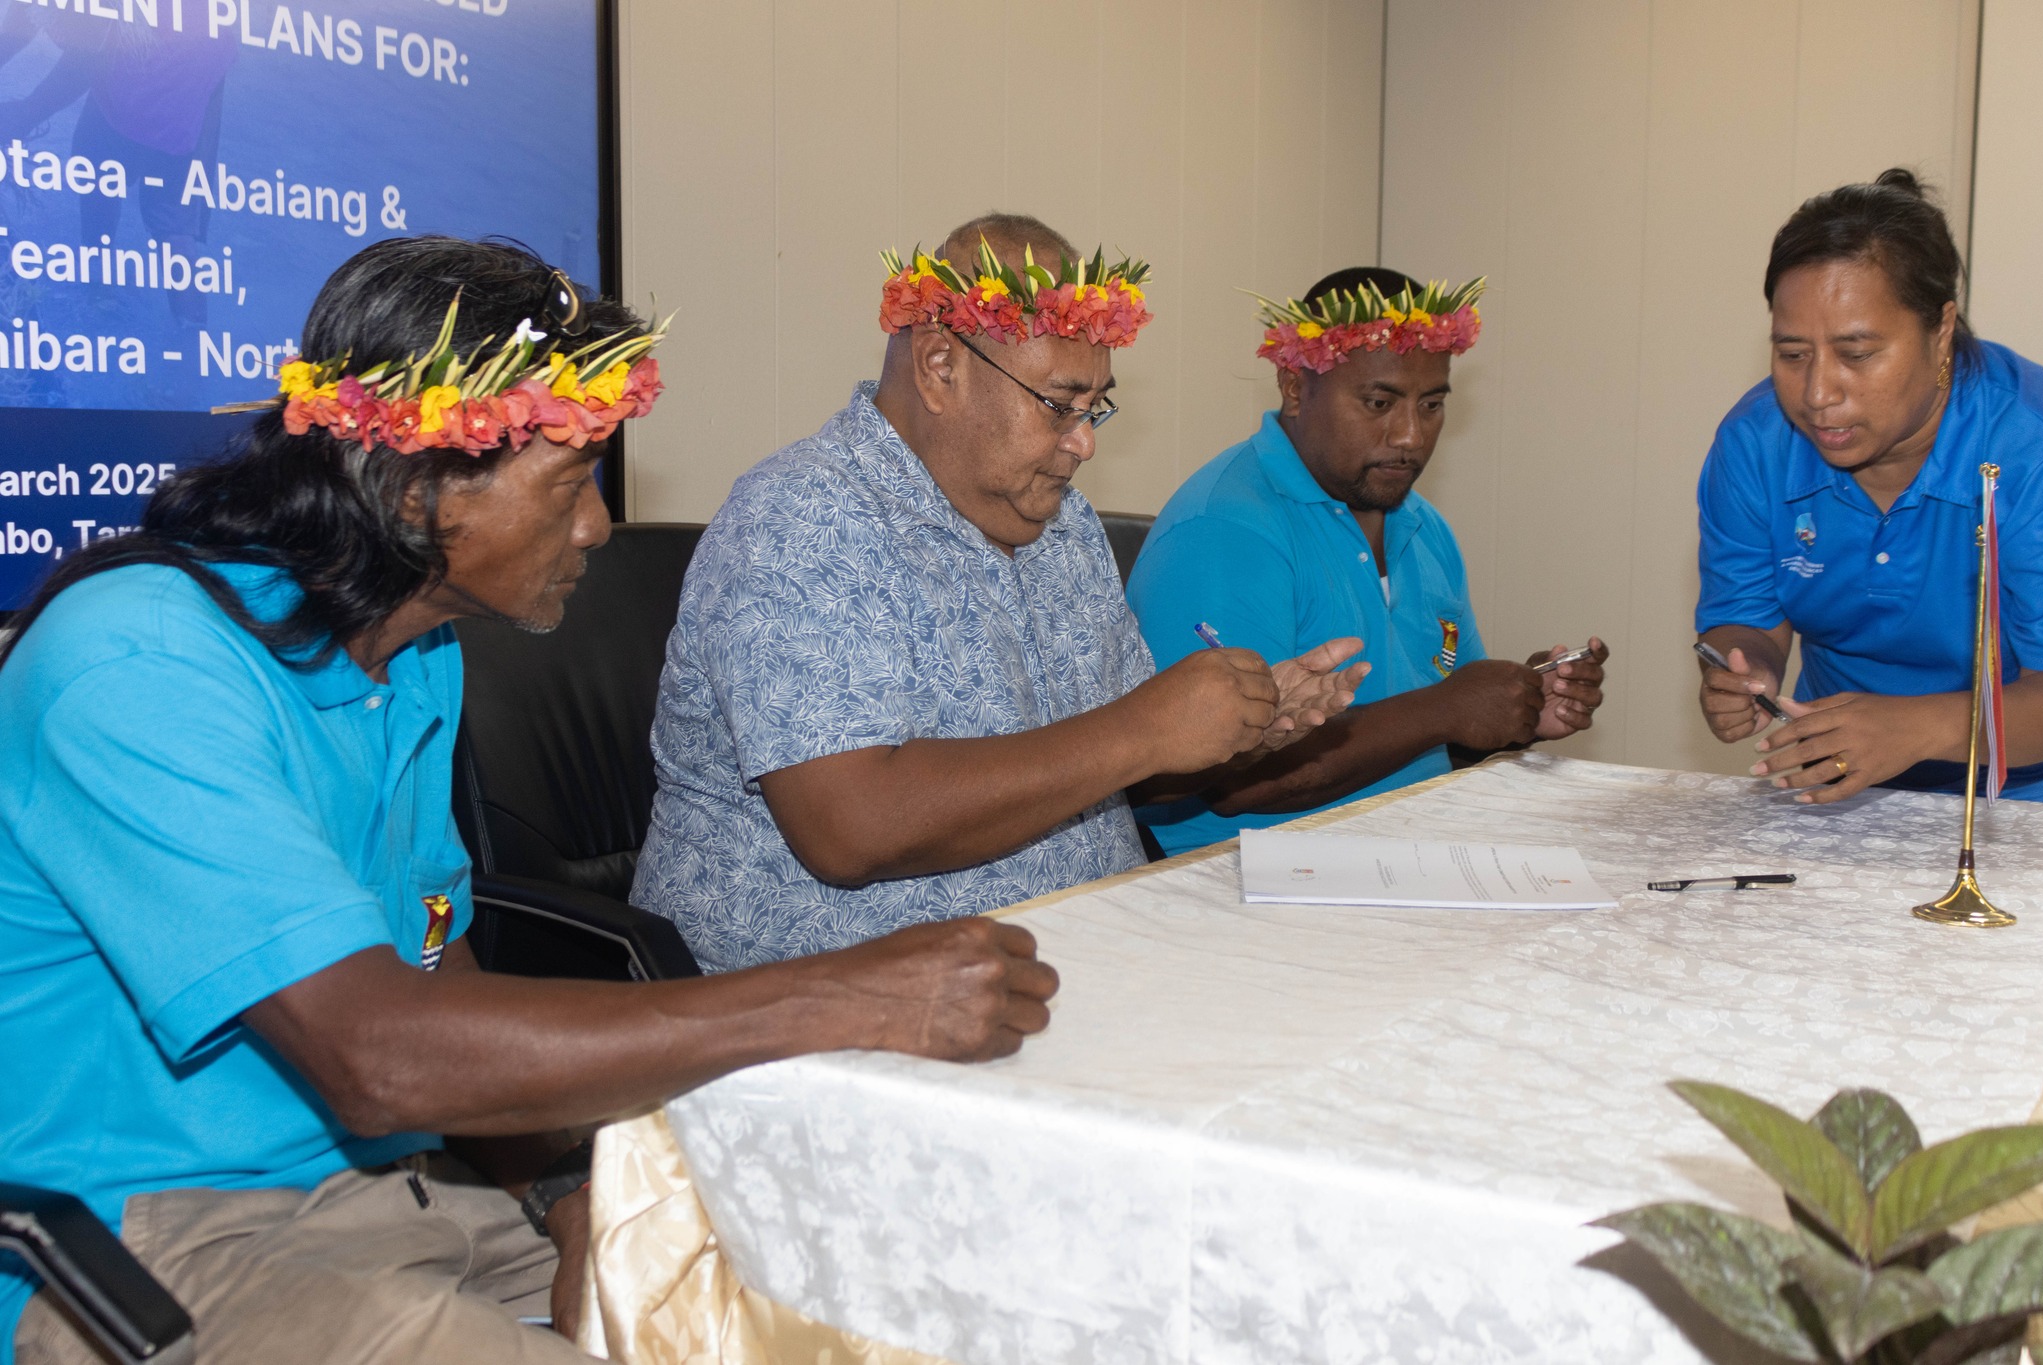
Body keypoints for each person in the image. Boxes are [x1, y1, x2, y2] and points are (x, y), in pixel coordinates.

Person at [0, 237, 1062, 1365]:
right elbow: (380, 1060)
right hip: (147, 1243)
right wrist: (837, 999)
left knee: (838, 1311)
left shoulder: (410, 648)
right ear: (414, 490)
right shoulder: (140, 663)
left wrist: (567, 1201)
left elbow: (434, 962)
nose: (599, 526)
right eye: (569, 483)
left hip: (397, 1202)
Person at [630, 213, 1367, 972]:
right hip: (830, 1016)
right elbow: (852, 828)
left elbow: (1117, 773)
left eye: (1095, 408)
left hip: (1081, 967)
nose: (1084, 442)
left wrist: (1237, 731)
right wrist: (1143, 729)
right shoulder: (803, 518)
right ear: (941, 365)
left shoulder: (1065, 523)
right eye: (1058, 404)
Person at [1126, 267, 1610, 855]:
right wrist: (1445, 709)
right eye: (1379, 402)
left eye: (1431, 404)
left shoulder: (1424, 527)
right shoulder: (1224, 529)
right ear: (1296, 388)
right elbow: (1234, 779)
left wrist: (1518, 711)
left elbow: (1433, 742)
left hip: (1409, 850)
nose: (1409, 435)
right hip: (1241, 877)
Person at [1696, 169, 2043, 804]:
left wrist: (1917, 726)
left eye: (1857, 354)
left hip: (2024, 796)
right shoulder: (1756, 444)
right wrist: (1745, 671)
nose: (1818, 394)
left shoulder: (2031, 447)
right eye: (1792, 354)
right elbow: (1744, 620)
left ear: (1941, 332)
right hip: (1842, 784)